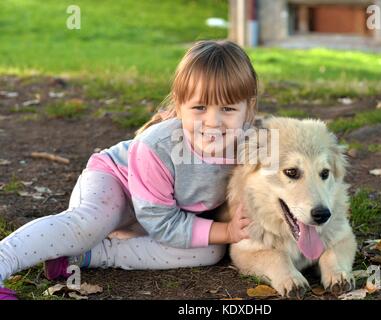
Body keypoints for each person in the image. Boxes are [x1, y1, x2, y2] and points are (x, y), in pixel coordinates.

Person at [0, 40, 259, 299]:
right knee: (88, 225)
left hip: (164, 211)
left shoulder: (255, 146)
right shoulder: (156, 146)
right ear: (179, 106)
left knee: (210, 251)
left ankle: (85, 255)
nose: (212, 121)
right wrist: (226, 230)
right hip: (116, 184)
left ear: (249, 108)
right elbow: (161, 222)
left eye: (227, 109)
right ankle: (5, 260)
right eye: (199, 107)